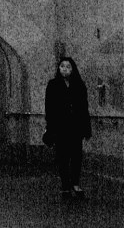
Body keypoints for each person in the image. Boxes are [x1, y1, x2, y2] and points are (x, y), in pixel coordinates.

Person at [44, 56, 91, 198]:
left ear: (73, 69)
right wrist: (50, 126)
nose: (65, 69)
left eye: (68, 67)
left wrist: (86, 127)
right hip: (60, 126)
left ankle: (75, 183)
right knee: (63, 156)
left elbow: (84, 107)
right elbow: (49, 107)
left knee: (76, 155)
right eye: (62, 66)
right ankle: (65, 185)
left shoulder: (79, 85)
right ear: (59, 68)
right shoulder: (53, 84)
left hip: (76, 125)